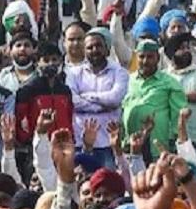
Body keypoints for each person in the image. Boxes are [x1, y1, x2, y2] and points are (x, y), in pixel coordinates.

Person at [67, 28, 128, 166]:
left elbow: (115, 99)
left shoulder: (120, 72)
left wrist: (87, 96)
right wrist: (103, 106)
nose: (94, 50)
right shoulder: (73, 73)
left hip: (108, 143)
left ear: (106, 49)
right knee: (80, 178)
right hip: (80, 142)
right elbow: (73, 101)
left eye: (98, 46)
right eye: (90, 47)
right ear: (84, 51)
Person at [122, 39, 187, 157]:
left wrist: (174, 141)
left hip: (156, 145)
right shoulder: (127, 80)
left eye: (150, 57)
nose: (145, 61)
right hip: (130, 144)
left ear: (158, 58)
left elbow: (178, 115)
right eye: (141, 57)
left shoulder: (169, 83)